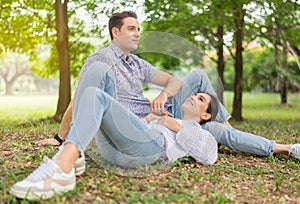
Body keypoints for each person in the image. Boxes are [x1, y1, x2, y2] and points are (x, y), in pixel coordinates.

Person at [34, 11, 299, 166]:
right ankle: (273, 145)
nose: (138, 33)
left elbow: (174, 81)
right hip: (138, 125)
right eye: (131, 29)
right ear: (115, 32)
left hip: (159, 115)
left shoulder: (137, 63)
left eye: (139, 28)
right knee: (214, 132)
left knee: (196, 76)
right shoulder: (99, 61)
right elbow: (79, 98)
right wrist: (60, 138)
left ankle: (238, 132)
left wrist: (163, 94)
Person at [10, 92, 219, 200]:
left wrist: (170, 124)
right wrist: (151, 118)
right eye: (194, 94)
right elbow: (134, 132)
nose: (193, 97)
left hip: (153, 149)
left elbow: (208, 157)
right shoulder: (166, 117)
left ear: (206, 115)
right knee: (93, 89)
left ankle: (62, 168)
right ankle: (76, 154)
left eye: (200, 99)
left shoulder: (203, 133)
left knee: (96, 95)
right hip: (124, 150)